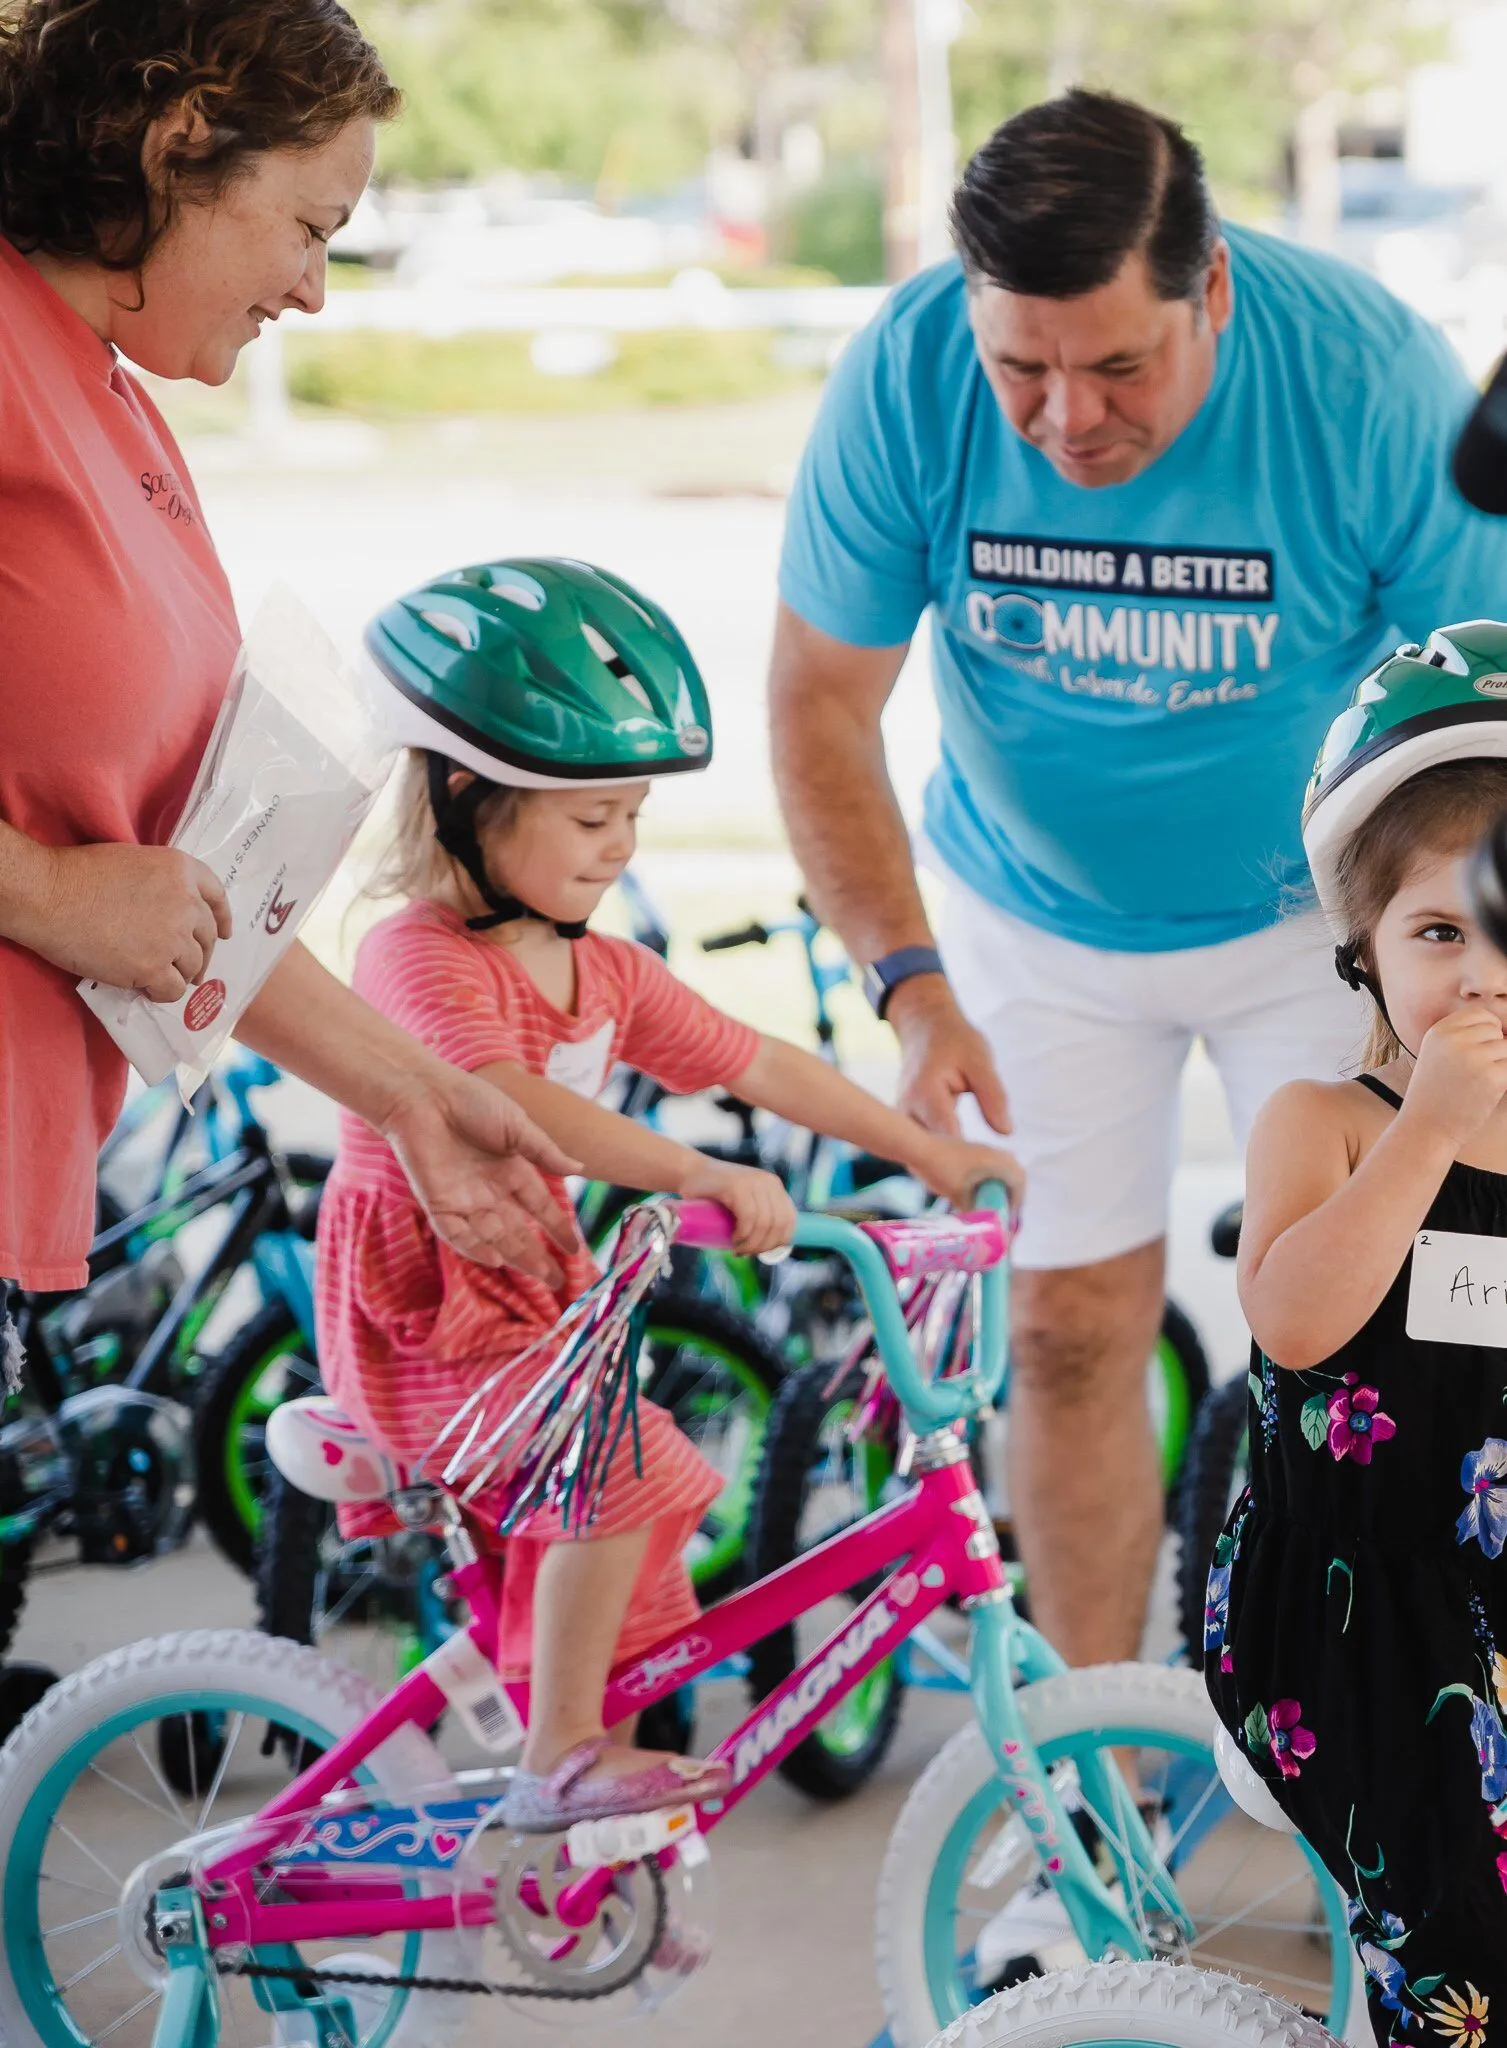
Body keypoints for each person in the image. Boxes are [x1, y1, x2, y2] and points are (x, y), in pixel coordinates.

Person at [769, 85, 1507, 1673]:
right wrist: (907, 982)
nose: (1061, 419)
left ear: (1210, 290)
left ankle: (1369, 1787)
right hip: (1031, 926)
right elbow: (820, 698)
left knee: (1383, 1346)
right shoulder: (902, 376)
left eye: (1114, 366)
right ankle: (1087, 1789)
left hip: (1315, 926)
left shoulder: (1364, 377)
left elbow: (1483, 723)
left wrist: (1445, 966)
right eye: (1018, 366)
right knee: (1063, 1328)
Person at [318, 557, 1021, 1831]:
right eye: (593, 821)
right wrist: (695, 1169)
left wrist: (923, 1149)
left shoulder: (603, 969)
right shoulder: (414, 953)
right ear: (470, 796)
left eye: (634, 815)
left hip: (531, 1309)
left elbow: (760, 1060)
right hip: (426, 1312)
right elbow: (509, 1103)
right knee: (627, 1468)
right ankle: (559, 1758)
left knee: (634, 1524)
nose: (624, 845)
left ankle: (591, 1792)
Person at [0, 0, 575, 1314]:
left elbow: (181, 886)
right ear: (180, 146)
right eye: (310, 226)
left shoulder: (114, 398)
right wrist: (42, 892)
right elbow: (91, 893)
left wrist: (423, 1099)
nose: (313, 288)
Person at [1206, 622, 1507, 2043]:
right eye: (1435, 934)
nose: (1476, 975)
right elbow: (1297, 1322)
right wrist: (1428, 1140)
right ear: (1361, 954)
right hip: (1355, 1614)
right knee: (1458, 1954)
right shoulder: (1325, 1124)